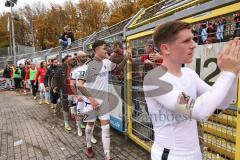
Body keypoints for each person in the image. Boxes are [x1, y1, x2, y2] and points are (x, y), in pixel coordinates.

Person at [143, 20, 240, 160]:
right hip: (171, 156)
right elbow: (198, 111)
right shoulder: (153, 79)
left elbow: (223, 103)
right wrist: (227, 73)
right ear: (166, 49)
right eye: (186, 41)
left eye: (193, 39)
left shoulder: (189, 73)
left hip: (194, 153)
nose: (194, 45)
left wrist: (235, 72)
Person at [77, 40, 127, 159]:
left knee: (106, 128)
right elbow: (79, 85)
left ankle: (107, 155)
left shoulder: (107, 62)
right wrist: (92, 100)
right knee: (90, 126)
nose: (107, 50)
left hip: (103, 102)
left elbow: (118, 68)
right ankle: (88, 146)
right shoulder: (87, 65)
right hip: (91, 102)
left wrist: (126, 58)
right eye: (104, 48)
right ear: (96, 50)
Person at [69, 51, 97, 144]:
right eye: (83, 56)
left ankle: (91, 135)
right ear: (78, 58)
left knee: (90, 117)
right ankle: (79, 128)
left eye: (85, 56)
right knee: (80, 114)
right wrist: (77, 95)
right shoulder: (74, 70)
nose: (85, 57)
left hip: (89, 96)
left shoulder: (89, 67)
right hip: (80, 97)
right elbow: (72, 84)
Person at [51, 55, 73, 131]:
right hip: (65, 91)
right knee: (66, 107)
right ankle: (66, 123)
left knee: (75, 107)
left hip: (75, 92)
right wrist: (54, 86)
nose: (72, 60)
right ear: (66, 60)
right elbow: (55, 78)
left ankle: (79, 123)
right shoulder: (61, 69)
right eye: (70, 59)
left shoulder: (75, 68)